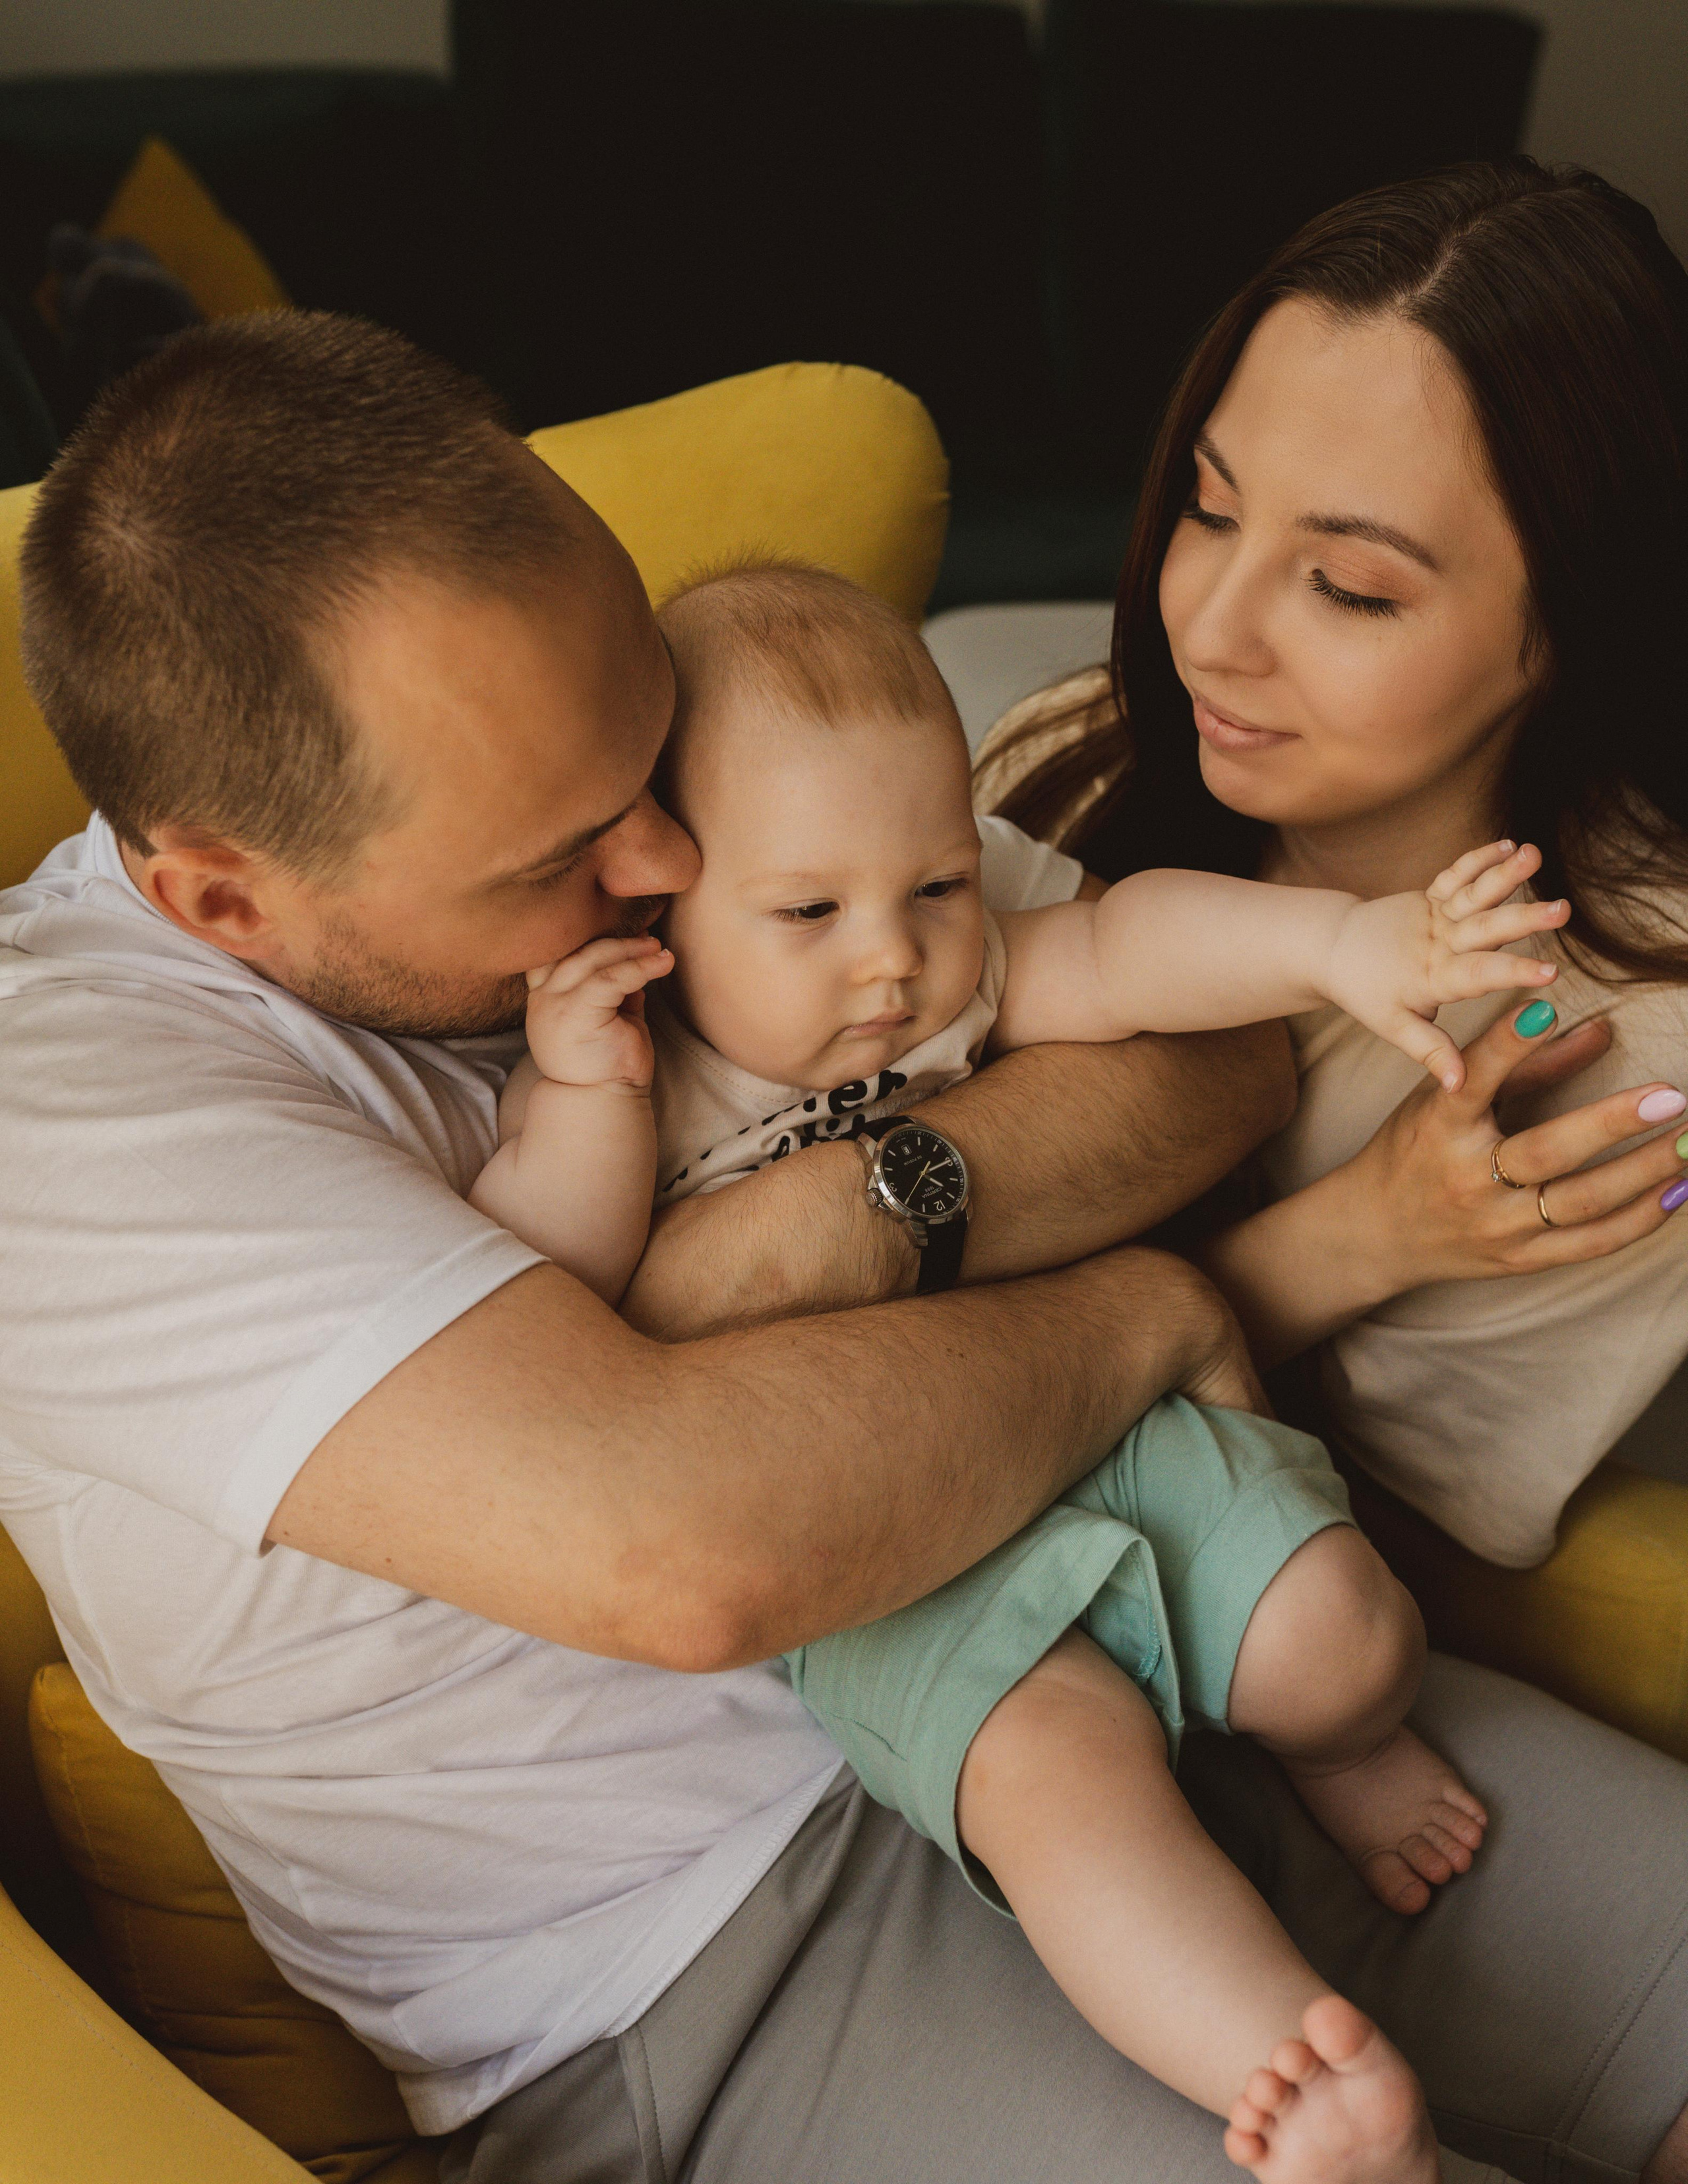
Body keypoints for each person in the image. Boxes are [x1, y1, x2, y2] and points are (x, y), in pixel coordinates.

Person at [0, 307, 1685, 2184]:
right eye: (563, 850)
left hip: (1136, 1604)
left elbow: (1200, 1057)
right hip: (710, 1944)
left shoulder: (673, 730)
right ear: (221, 889)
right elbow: (691, 1552)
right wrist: (1144, 1309)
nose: (664, 859)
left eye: (647, 751)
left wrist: (852, 1218)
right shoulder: (61, 1112)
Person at [475, 557, 1572, 2171]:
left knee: (1339, 1645)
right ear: (657, 907)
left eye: (931, 885)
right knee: (1061, 1785)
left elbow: (1129, 950)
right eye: (808, 913)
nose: (892, 963)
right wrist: (577, 1089)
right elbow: (562, 1302)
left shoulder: (952, 972)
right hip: (874, 1549)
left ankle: (1333, 1750)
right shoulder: (640, 1070)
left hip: (1082, 1406)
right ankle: (1290, 2078)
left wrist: (1346, 945)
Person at [980, 156, 1688, 1579]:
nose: (1208, 632)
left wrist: (1352, 1243)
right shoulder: (1082, 749)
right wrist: (1352, 1236)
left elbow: (1361, 1547)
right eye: (1207, 507)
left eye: (1349, 587)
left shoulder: (1625, 1052)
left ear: (1573, 621)